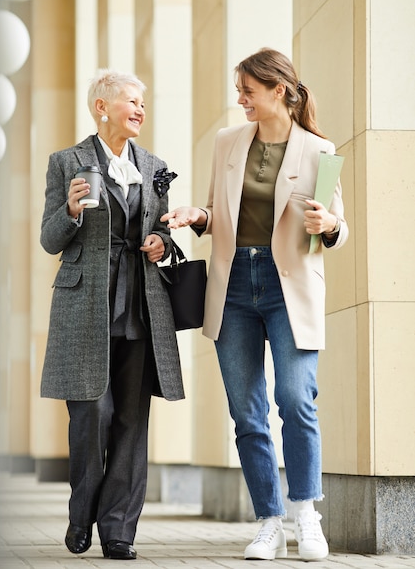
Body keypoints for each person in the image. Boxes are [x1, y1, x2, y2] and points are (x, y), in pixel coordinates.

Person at [161, 48, 348, 562]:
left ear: (278, 91)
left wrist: (328, 226)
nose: (239, 98)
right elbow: (217, 213)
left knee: (296, 401)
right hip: (234, 285)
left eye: (247, 89)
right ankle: (269, 521)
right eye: (238, 88)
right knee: (247, 412)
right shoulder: (227, 142)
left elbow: (337, 224)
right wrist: (196, 215)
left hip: (291, 287)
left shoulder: (320, 150)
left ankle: (306, 514)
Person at [40, 69, 184, 561]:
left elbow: (167, 235)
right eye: (131, 100)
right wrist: (72, 211)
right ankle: (82, 516)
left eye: (143, 102)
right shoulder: (67, 162)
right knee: (90, 417)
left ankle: (119, 530)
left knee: (130, 421)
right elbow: (49, 239)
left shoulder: (154, 165)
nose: (141, 109)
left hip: (141, 308)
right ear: (102, 107)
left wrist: (163, 243)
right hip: (86, 307)